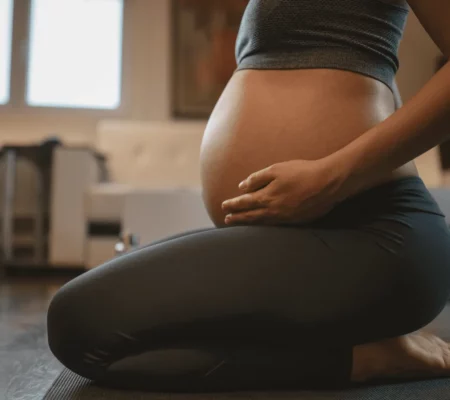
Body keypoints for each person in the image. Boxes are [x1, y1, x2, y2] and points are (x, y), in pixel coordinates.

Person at [47, 0, 450, 392]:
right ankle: (353, 353)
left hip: (376, 234)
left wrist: (332, 177)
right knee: (90, 328)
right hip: (294, 243)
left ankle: (368, 359)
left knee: (79, 320)